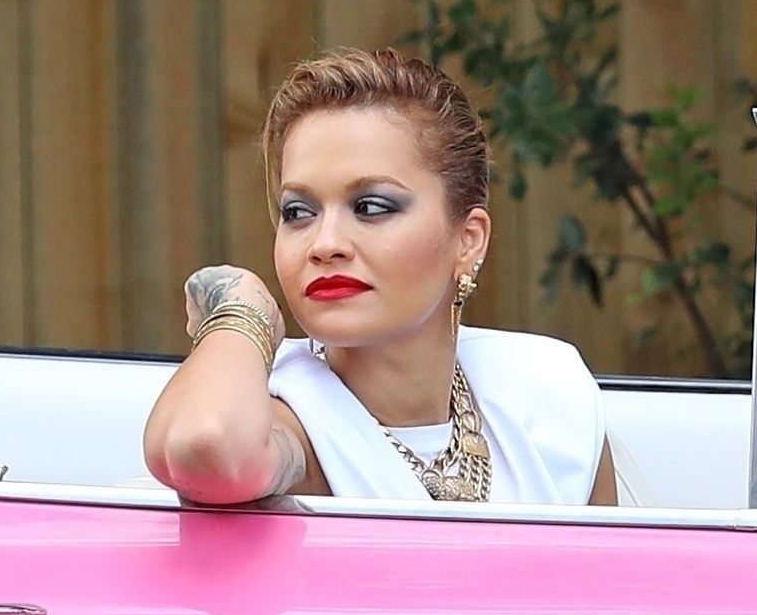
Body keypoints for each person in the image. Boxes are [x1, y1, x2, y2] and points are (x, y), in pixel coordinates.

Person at [142, 47, 645, 508]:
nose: (325, 243)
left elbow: (609, 577)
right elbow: (206, 445)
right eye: (298, 212)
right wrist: (240, 315)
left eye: (371, 207)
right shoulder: (288, 418)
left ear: (468, 239)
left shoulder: (547, 392)